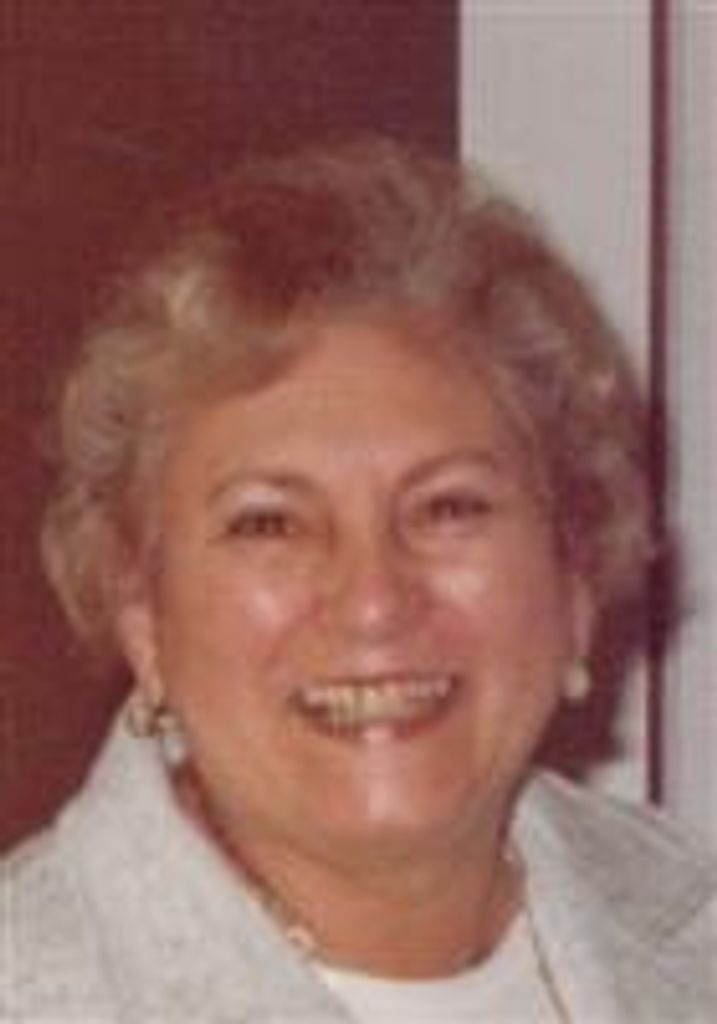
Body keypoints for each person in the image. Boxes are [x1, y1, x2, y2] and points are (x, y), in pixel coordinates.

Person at [2, 139, 714, 1023]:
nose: (373, 601)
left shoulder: (689, 929)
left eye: (447, 508)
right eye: (269, 523)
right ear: (143, 615)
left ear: (573, 578)